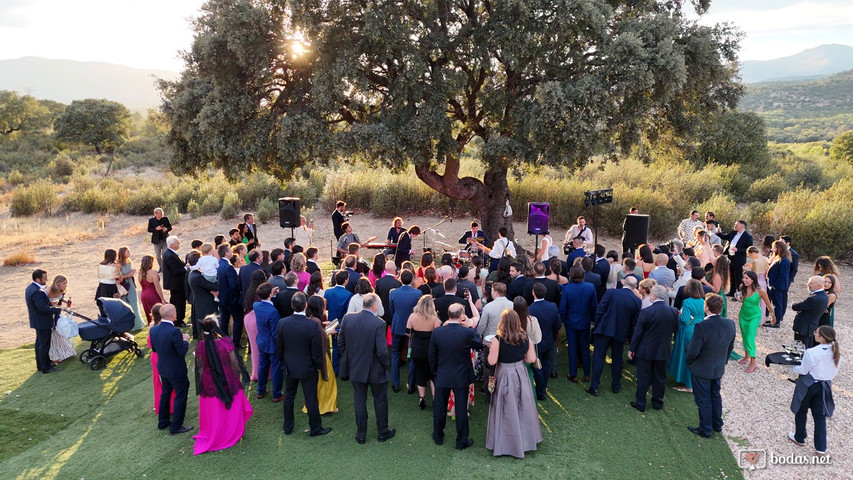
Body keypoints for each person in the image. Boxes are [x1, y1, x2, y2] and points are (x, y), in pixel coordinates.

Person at [485, 309, 543, 458]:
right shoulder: (525, 338)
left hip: (504, 374)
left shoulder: (497, 341)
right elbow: (531, 359)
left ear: (502, 323)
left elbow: (491, 362)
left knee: (505, 408)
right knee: (523, 407)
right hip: (521, 373)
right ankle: (525, 441)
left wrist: (491, 348)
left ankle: (506, 442)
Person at [192, 315, 254, 455]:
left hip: (209, 382)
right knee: (232, 405)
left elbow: (200, 365)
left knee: (214, 410)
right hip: (227, 378)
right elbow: (235, 363)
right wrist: (237, 374)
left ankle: (216, 431)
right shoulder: (225, 342)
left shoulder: (200, 345)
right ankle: (232, 430)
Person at [338, 293, 395, 443]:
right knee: (380, 400)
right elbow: (382, 351)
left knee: (359, 400)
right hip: (376, 368)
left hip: (356, 367)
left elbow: (340, 342)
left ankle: (361, 434)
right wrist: (386, 364)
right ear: (374, 306)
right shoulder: (379, 323)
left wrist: (349, 358)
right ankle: (383, 432)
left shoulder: (348, 318)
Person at [429, 304, 484, 450]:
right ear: (461, 316)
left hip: (442, 374)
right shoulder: (466, 332)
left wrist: (435, 373)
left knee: (440, 408)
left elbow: (432, 356)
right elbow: (479, 345)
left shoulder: (437, 332)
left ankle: (438, 436)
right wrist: (469, 327)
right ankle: (461, 441)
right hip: (461, 375)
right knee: (461, 409)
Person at [276, 292, 331, 437]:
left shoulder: (283, 323)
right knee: (311, 398)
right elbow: (316, 350)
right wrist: (317, 366)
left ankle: (288, 426)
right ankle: (315, 428)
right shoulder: (311, 325)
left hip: (290, 366)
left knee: (289, 396)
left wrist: (284, 363)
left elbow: (279, 348)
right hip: (308, 368)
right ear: (305, 305)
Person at [684, 293, 736, 438]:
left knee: (703, 399)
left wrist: (690, 361)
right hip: (718, 367)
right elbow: (730, 347)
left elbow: (693, 349)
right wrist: (723, 362)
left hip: (702, 369)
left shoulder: (702, 326)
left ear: (706, 307)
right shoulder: (730, 324)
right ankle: (717, 424)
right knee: (715, 395)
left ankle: (706, 428)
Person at [788, 326, 842, 455]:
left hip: (809, 384)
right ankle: (820, 447)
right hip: (825, 387)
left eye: (816, 333)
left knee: (801, 410)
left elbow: (803, 370)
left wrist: (791, 366)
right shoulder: (838, 355)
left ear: (821, 337)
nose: (815, 334)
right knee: (820, 416)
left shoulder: (811, 352)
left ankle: (799, 437)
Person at [628, 285, 678, 412]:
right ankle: (657, 403)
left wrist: (631, 348)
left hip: (646, 350)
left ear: (654, 296)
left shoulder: (646, 312)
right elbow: (675, 328)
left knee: (643, 378)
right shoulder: (673, 311)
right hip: (664, 350)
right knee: (660, 378)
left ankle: (641, 403)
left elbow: (638, 333)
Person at [149, 303, 192, 435]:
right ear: (172, 315)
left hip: (163, 367)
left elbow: (155, 349)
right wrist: (185, 340)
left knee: (165, 393)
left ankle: (163, 422)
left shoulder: (154, 329)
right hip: (176, 369)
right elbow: (182, 352)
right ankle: (176, 426)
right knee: (181, 394)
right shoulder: (174, 331)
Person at [559, 265, 597, 383]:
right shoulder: (590, 287)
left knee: (573, 348)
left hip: (571, 323)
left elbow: (562, 308)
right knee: (585, 348)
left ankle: (573, 374)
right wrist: (592, 319)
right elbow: (594, 306)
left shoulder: (567, 289)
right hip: (585, 322)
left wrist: (564, 320)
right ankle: (587, 374)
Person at [388, 270, 422, 392]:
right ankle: (411, 385)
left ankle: (396, 383)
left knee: (396, 354)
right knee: (411, 355)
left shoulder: (394, 293)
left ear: (400, 279)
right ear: (412, 280)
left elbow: (392, 310)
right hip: (412, 327)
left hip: (398, 325)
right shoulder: (417, 293)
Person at [406, 295, 442, 410]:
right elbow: (437, 335)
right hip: (430, 349)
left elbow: (407, 332)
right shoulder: (435, 319)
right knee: (433, 374)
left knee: (420, 372)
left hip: (417, 347)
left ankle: (422, 398)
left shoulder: (412, 316)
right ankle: (435, 397)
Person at [304, 295, 337, 414]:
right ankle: (326, 406)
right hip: (320, 356)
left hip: (311, 356)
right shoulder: (316, 321)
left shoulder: (309, 318)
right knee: (327, 380)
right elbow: (319, 338)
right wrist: (328, 332)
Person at [670, 280, 705, 391]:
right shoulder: (703, 301)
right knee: (694, 355)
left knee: (684, 355)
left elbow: (685, 319)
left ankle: (687, 382)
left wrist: (679, 314)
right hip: (699, 329)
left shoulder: (687, 302)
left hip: (687, 330)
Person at [27, 269, 63, 374]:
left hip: (37, 320)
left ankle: (41, 365)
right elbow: (42, 308)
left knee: (39, 343)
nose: (46, 280)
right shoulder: (36, 291)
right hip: (42, 321)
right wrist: (58, 309)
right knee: (44, 344)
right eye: (44, 278)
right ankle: (46, 367)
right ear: (38, 279)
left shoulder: (30, 288)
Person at [737, 271, 773, 373]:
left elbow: (768, 304)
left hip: (754, 316)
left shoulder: (760, 291)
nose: (744, 280)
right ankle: (746, 356)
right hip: (743, 315)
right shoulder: (741, 287)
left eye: (747, 278)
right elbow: (742, 299)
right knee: (744, 336)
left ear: (753, 279)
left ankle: (753, 362)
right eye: (743, 278)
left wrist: (773, 315)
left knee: (750, 338)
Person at [529, 282, 561, 400]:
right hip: (548, 341)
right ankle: (543, 388)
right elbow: (558, 324)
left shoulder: (530, 309)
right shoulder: (552, 306)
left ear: (533, 293)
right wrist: (551, 336)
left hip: (536, 343)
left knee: (538, 367)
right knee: (545, 364)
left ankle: (541, 392)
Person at [254, 283, 284, 402]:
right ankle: (277, 394)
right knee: (276, 368)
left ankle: (260, 390)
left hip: (261, 340)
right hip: (272, 343)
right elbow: (276, 333)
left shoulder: (256, 305)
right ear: (269, 293)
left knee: (263, 366)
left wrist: (272, 295)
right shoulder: (273, 312)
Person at [325, 270, 354, 375]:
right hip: (342, 323)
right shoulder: (348, 294)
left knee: (335, 346)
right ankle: (343, 369)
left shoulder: (328, 292)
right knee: (344, 346)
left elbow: (326, 307)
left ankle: (335, 369)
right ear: (345, 280)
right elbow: (348, 312)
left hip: (331, 322)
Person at [147, 304, 175, 414]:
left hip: (154, 357)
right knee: (167, 381)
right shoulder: (163, 327)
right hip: (162, 356)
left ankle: (161, 405)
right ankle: (171, 407)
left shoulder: (152, 326)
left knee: (158, 381)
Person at [187, 251, 220, 340]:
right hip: (206, 305)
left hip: (200, 303)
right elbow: (215, 286)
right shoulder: (198, 277)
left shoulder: (192, 273)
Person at [791, 276, 830, 349]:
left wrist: (797, 306)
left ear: (818, 286)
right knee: (808, 347)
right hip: (812, 327)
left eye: (811, 283)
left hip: (803, 328)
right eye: (808, 282)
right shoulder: (824, 296)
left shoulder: (814, 299)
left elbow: (796, 307)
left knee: (800, 349)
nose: (808, 284)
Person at [216, 245, 244, 345]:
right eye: (230, 251)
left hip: (221, 298)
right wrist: (237, 296)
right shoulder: (228, 267)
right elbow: (233, 285)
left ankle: (224, 342)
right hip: (231, 299)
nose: (231, 253)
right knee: (238, 319)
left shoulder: (218, 264)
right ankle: (235, 343)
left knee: (224, 321)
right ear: (226, 253)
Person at [243, 270, 267, 381]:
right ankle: (262, 373)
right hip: (256, 319)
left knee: (254, 347)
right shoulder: (260, 292)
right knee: (261, 348)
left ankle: (255, 372)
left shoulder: (250, 290)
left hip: (248, 319)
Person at [46, 275, 75, 363]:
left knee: (60, 333)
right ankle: (53, 355)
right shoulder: (49, 290)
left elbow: (60, 300)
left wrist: (66, 301)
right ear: (57, 283)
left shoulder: (62, 291)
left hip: (58, 313)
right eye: (64, 283)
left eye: (66, 283)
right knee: (53, 334)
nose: (66, 285)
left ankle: (62, 352)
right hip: (50, 314)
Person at [116, 247, 145, 330]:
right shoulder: (119, 264)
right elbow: (119, 277)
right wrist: (130, 274)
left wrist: (132, 272)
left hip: (131, 284)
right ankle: (132, 325)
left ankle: (138, 323)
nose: (129, 252)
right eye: (127, 251)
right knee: (128, 304)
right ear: (123, 253)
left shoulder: (128, 262)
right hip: (125, 286)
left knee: (134, 303)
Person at [161, 236, 188, 327]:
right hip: (176, 284)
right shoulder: (170, 255)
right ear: (172, 244)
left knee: (177, 302)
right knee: (179, 303)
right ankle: (179, 320)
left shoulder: (170, 253)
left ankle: (178, 319)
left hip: (176, 283)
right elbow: (176, 271)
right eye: (177, 242)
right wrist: (185, 268)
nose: (179, 243)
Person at [722, 220, 753, 295]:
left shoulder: (748, 236)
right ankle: (732, 291)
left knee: (739, 276)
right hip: (730, 257)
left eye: (737, 225)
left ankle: (740, 293)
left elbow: (749, 248)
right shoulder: (733, 233)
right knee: (731, 275)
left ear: (742, 226)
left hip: (739, 259)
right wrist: (718, 233)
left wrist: (738, 250)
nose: (735, 226)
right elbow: (724, 237)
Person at [766, 240, 791, 328]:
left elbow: (782, 276)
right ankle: (774, 319)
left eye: (774, 247)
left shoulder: (784, 261)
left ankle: (776, 322)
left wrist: (774, 285)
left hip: (777, 286)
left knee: (777, 304)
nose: (773, 249)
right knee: (774, 303)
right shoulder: (777, 258)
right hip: (773, 284)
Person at [139, 255, 167, 326]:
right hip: (152, 293)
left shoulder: (140, 273)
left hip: (144, 294)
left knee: (150, 314)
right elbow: (157, 286)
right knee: (158, 312)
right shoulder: (153, 272)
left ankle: (152, 328)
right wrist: (162, 299)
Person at [95, 249, 121, 318]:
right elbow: (118, 277)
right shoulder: (114, 266)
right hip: (111, 287)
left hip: (101, 286)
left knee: (102, 304)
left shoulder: (101, 265)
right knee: (111, 306)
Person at [147, 207, 172, 272]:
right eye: (159, 213)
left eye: (161, 213)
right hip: (156, 241)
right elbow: (149, 229)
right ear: (155, 213)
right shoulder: (151, 220)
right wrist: (155, 229)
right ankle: (161, 267)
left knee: (164, 254)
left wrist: (166, 229)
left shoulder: (165, 219)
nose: (161, 214)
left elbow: (170, 227)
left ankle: (165, 268)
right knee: (158, 256)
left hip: (165, 239)